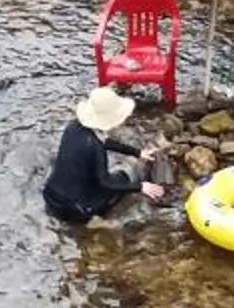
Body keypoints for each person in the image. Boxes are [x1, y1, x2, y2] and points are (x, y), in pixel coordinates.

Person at [43, 85, 167, 225]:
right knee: (123, 176)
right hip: (76, 210)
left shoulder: (72, 127)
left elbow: (105, 141)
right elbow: (105, 183)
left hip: (50, 196)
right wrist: (140, 187)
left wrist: (137, 153)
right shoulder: (96, 147)